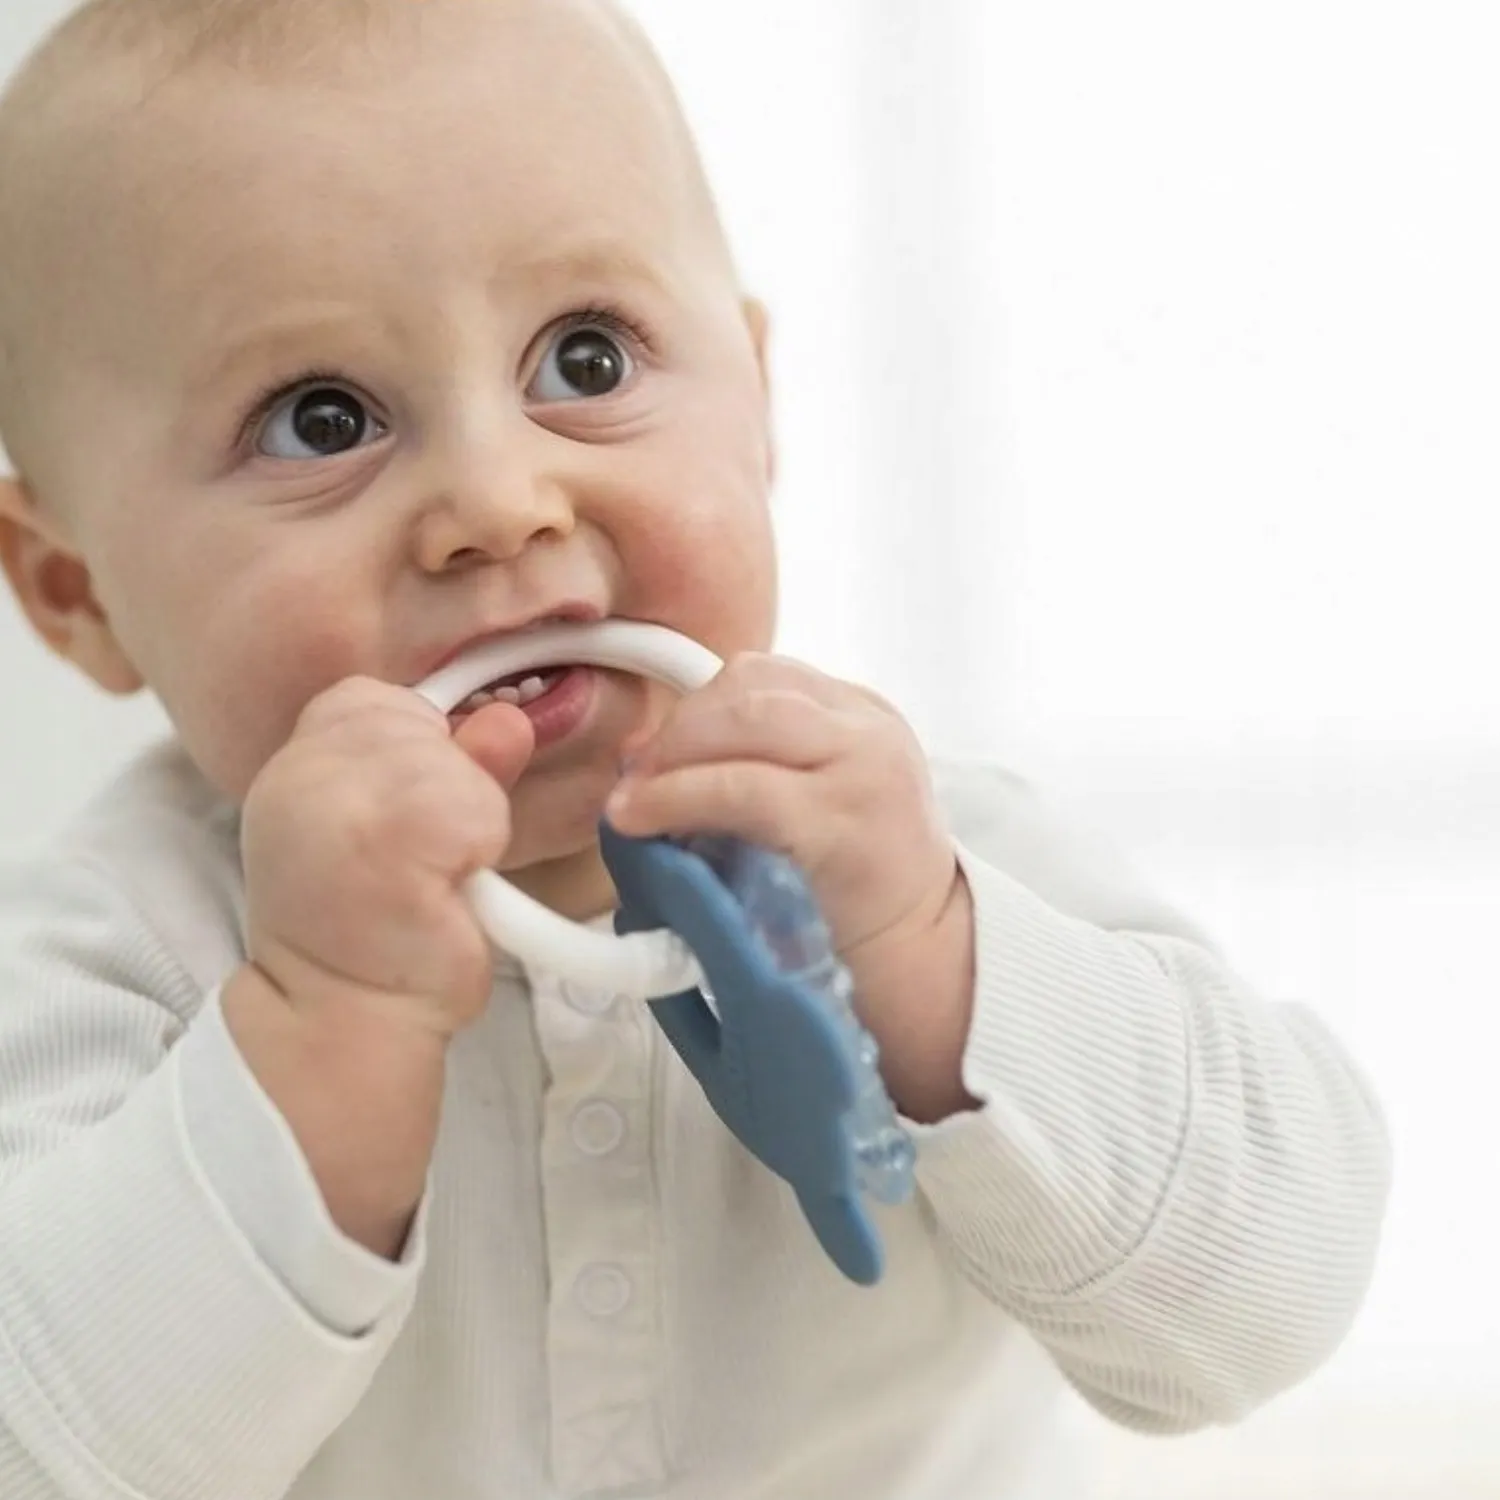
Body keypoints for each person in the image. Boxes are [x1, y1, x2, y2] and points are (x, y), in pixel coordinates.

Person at [0, 2, 1390, 1497]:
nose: (499, 498)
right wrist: (317, 1027)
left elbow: (1270, 1307)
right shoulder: (109, 952)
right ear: (77, 593)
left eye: (586, 361)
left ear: (757, 397)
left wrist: (937, 960)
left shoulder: (923, 856)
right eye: (319, 418)